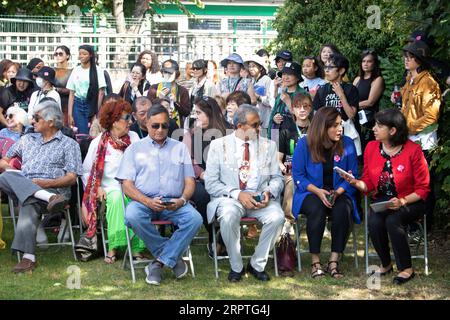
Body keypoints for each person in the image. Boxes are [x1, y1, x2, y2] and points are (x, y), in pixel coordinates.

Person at [339, 109, 430, 285]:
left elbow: (423, 188)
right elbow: (368, 184)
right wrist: (354, 182)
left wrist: (402, 201)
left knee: (393, 220)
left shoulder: (413, 150)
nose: (374, 128)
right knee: (374, 221)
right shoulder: (372, 148)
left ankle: (406, 269)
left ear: (393, 130)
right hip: (383, 202)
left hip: (411, 201)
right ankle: (386, 264)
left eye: (379, 126)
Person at [116, 104, 202, 286]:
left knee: (195, 219)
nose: (160, 130)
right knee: (131, 214)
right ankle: (170, 257)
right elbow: (127, 185)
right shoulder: (134, 149)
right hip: (143, 201)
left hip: (173, 202)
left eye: (165, 125)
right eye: (155, 125)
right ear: (146, 124)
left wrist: (182, 200)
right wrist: (147, 201)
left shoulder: (180, 148)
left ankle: (159, 263)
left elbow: (190, 181)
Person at [204, 104, 285, 282]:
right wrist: (236, 193)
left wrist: (268, 193)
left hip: (260, 199)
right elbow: (210, 184)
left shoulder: (269, 146)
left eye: (260, 124)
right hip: (230, 199)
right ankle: (236, 266)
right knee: (228, 215)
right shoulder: (218, 146)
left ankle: (257, 264)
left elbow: (277, 179)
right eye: (255, 125)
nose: (259, 128)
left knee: (278, 217)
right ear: (239, 126)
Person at [0, 99, 82, 273]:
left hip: (55, 190)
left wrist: (46, 184)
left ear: (51, 122)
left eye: (37, 118)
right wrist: (13, 171)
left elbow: (71, 178)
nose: (32, 121)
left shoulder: (69, 145)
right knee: (5, 176)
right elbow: (4, 161)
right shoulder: (27, 139)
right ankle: (44, 196)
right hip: (36, 191)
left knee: (29, 202)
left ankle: (28, 258)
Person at [292, 107, 360, 279]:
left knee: (342, 208)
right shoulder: (304, 144)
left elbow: (353, 174)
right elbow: (298, 175)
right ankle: (315, 261)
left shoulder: (348, 143)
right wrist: (318, 192)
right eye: (335, 125)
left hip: (339, 192)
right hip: (311, 193)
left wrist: (337, 192)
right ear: (323, 127)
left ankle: (333, 261)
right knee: (317, 209)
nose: (340, 129)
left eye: (340, 125)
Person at [81, 99, 146, 264]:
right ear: (114, 121)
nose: (130, 122)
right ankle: (114, 247)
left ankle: (137, 247)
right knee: (117, 197)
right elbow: (86, 171)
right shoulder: (98, 143)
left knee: (133, 198)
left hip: (133, 186)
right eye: (126, 118)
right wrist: (98, 188)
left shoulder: (135, 138)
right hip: (109, 188)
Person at [183, 96, 231, 258]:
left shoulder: (229, 131)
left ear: (210, 113)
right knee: (203, 194)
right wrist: (203, 174)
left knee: (229, 196)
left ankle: (223, 240)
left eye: (199, 113)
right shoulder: (192, 134)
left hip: (227, 179)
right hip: (200, 179)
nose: (196, 117)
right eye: (195, 113)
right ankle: (214, 234)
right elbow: (188, 162)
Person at [400, 40, 441, 230]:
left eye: (410, 57)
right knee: (409, 181)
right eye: (406, 56)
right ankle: (412, 222)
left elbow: (431, 116)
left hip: (424, 141)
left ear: (420, 60)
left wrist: (407, 127)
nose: (406, 59)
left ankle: (425, 225)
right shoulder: (410, 80)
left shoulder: (429, 83)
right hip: (409, 139)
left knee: (424, 183)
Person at [313, 53, 361, 156]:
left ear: (341, 70)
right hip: (326, 135)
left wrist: (341, 95)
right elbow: (316, 115)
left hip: (345, 136)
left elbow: (351, 115)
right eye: (325, 66)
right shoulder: (322, 90)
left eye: (330, 67)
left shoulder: (350, 89)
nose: (326, 70)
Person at [278, 93, 313, 230]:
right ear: (292, 110)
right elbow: (278, 160)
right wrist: (283, 169)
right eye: (298, 107)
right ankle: (288, 221)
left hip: (311, 172)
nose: (302, 110)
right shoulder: (286, 129)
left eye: (306, 106)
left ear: (311, 109)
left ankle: (319, 218)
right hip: (290, 171)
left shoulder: (317, 129)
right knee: (292, 181)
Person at [67, 45, 106, 135]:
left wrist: (97, 111)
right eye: (80, 53)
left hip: (92, 104)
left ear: (91, 55)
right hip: (78, 104)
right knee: (81, 134)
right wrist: (70, 114)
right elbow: (72, 93)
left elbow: (101, 92)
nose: (81, 56)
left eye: (84, 54)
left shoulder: (98, 70)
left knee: (93, 133)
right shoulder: (76, 70)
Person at [353, 50, 385, 153]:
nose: (365, 64)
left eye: (369, 61)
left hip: (369, 120)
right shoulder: (357, 79)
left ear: (374, 63)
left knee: (367, 148)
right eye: (363, 61)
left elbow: (370, 102)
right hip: (354, 117)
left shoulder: (377, 79)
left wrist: (352, 106)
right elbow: (350, 96)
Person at [268, 61, 308, 139]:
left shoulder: (303, 94)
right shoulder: (281, 94)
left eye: (289, 74)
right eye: (284, 74)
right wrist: (272, 139)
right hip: (279, 138)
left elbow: (304, 119)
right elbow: (272, 116)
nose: (285, 77)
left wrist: (288, 102)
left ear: (297, 77)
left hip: (296, 139)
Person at [147, 59, 191, 128]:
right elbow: (148, 108)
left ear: (176, 73)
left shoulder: (182, 90)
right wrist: (159, 99)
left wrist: (176, 101)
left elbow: (186, 112)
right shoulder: (154, 88)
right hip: (157, 125)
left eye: (170, 73)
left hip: (176, 127)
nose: (167, 75)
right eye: (165, 72)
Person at [245, 55, 272, 129]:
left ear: (260, 67)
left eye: (253, 66)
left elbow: (271, 101)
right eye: (249, 66)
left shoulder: (267, 80)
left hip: (265, 121)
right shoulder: (251, 81)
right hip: (254, 120)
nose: (251, 69)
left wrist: (258, 97)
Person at [53, 45, 73, 126]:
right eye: (56, 54)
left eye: (60, 54)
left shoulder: (72, 71)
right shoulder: (52, 70)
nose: (58, 56)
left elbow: (74, 89)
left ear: (67, 56)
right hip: (53, 103)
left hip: (67, 103)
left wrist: (59, 90)